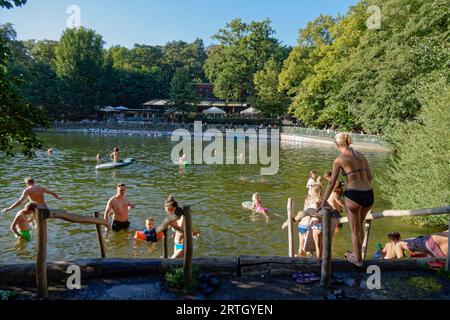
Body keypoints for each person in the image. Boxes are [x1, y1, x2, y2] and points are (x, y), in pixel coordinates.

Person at [319, 133, 374, 267]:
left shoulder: (339, 159)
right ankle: (358, 254)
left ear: (337, 145)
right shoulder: (361, 155)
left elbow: (332, 183)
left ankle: (358, 260)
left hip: (354, 195)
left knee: (354, 230)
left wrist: (324, 201)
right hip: (368, 194)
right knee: (359, 226)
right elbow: (370, 177)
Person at [307, 185, 323, 258]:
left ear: (315, 192)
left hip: (316, 225)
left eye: (312, 191)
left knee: (317, 245)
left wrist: (310, 216)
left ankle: (318, 260)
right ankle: (321, 259)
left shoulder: (316, 202)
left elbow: (317, 214)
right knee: (320, 244)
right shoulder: (322, 200)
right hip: (322, 224)